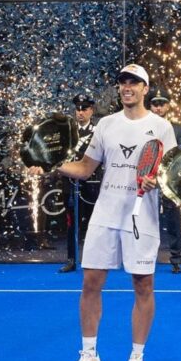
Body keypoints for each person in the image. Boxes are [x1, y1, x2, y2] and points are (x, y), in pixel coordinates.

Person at [28, 64, 176, 361]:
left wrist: (157, 181)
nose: (127, 87)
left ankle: (136, 358)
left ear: (145, 89)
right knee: (91, 283)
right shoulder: (106, 125)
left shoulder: (162, 127)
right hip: (106, 214)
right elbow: (84, 168)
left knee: (143, 286)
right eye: (123, 82)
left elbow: (171, 176)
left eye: (134, 82)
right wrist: (50, 163)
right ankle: (89, 356)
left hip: (141, 218)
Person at [59, 94, 101, 273]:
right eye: (78, 109)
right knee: (71, 222)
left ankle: (96, 259)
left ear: (91, 110)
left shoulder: (98, 130)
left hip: (92, 181)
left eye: (84, 108)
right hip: (70, 181)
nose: (81, 112)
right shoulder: (67, 130)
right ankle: (71, 258)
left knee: (95, 222)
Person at [149, 92, 181, 273]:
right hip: (147, 180)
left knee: (173, 218)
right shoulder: (142, 127)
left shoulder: (178, 129)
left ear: (168, 106)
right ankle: (145, 257)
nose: (158, 107)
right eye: (155, 104)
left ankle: (176, 258)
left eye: (161, 104)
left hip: (170, 180)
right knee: (146, 219)